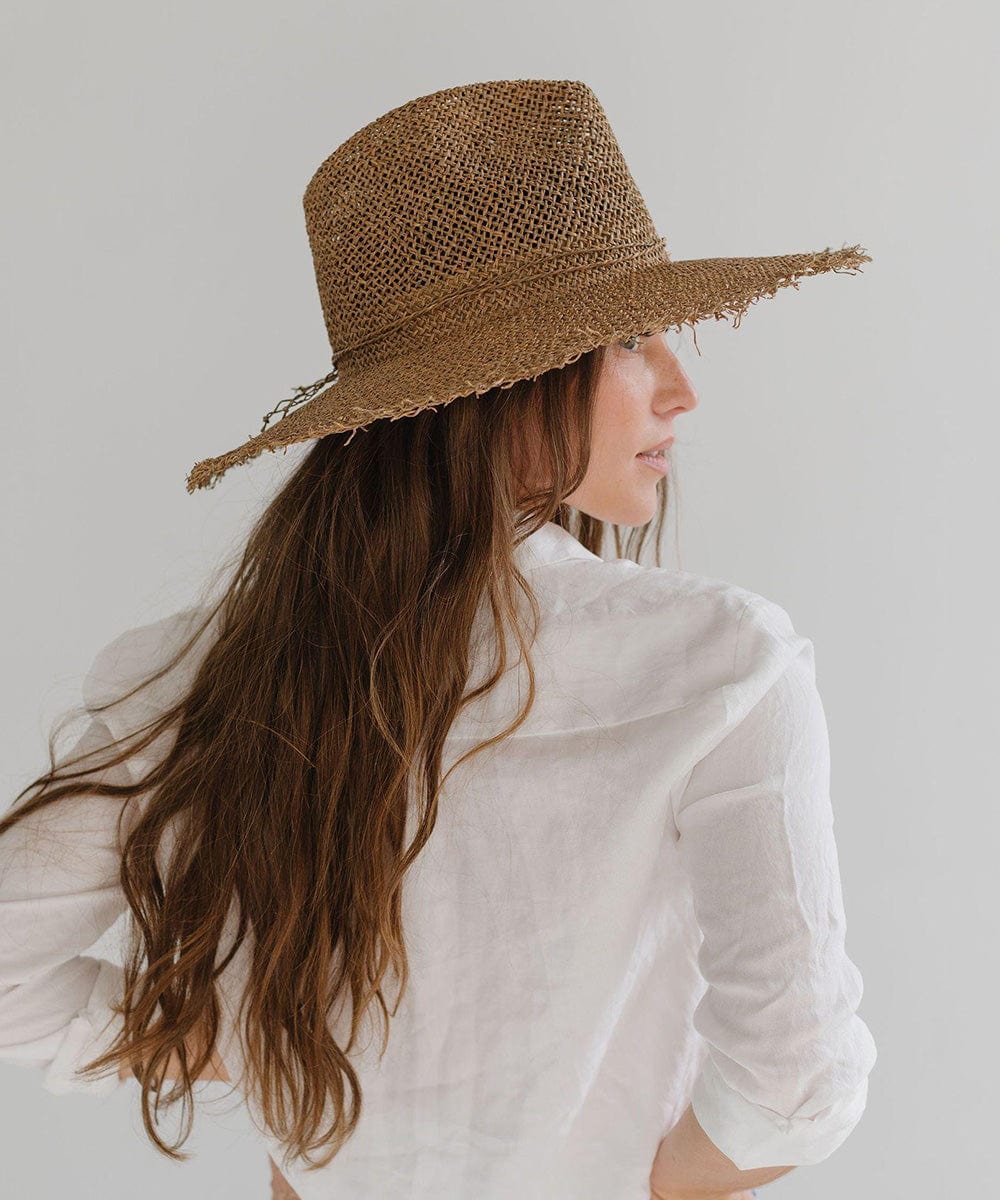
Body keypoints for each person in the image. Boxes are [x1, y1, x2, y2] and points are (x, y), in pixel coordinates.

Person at [0, 79, 876, 1200]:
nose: (679, 389)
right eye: (627, 341)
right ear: (504, 385)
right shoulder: (718, 664)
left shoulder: (201, 674)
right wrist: (631, 1183)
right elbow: (796, 1082)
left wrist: (241, 1054)